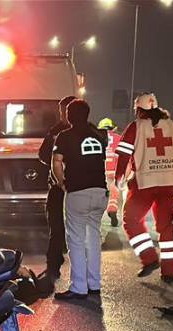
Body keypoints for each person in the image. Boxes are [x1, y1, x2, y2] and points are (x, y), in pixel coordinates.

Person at [114, 92, 173, 283]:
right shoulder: (172, 125)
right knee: (165, 226)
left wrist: (119, 178)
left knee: (131, 220)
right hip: (168, 183)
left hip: (144, 183)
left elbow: (124, 155)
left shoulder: (136, 127)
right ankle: (168, 272)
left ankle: (149, 258)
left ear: (138, 109)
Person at [51, 99, 108, 300]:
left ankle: (78, 287)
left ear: (69, 116)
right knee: (93, 239)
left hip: (78, 192)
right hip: (100, 192)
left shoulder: (65, 136)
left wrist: (61, 182)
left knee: (75, 240)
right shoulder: (98, 135)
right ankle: (94, 284)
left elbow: (57, 162)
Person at [37, 95, 78, 283]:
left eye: (63, 111)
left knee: (57, 226)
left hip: (60, 187)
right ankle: (82, 274)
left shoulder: (56, 132)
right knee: (77, 230)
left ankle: (53, 268)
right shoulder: (90, 130)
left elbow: (43, 155)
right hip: (80, 187)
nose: (62, 115)